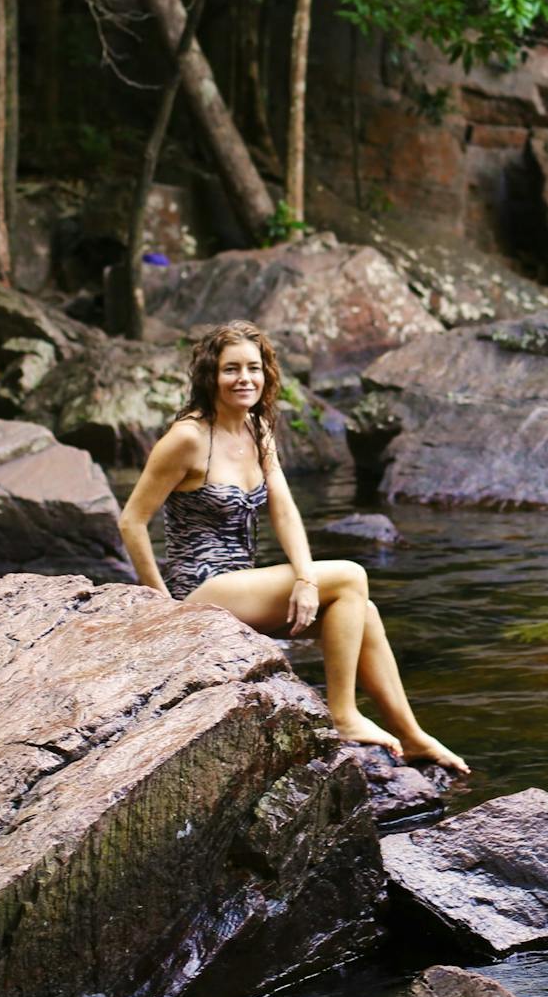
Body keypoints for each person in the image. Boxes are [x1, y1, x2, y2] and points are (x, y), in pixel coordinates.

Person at [119, 319, 468, 774]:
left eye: (253, 367)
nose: (244, 378)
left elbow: (283, 509)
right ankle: (342, 715)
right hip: (200, 590)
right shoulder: (187, 438)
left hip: (239, 582)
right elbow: (132, 520)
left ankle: (413, 736)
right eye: (230, 370)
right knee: (351, 576)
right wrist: (160, 603)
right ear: (210, 376)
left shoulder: (257, 429)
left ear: (266, 373)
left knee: (364, 613)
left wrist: (305, 578)